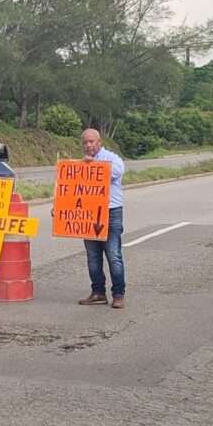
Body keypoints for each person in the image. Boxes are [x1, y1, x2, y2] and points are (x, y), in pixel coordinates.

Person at [76, 128, 127, 309]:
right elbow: (73, 189)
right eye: (85, 142)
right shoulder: (81, 163)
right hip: (89, 214)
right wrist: (59, 207)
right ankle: (98, 292)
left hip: (110, 212)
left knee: (113, 255)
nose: (88, 145)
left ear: (99, 142)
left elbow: (117, 172)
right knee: (93, 256)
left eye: (92, 141)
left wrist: (93, 165)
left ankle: (118, 294)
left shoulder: (112, 159)